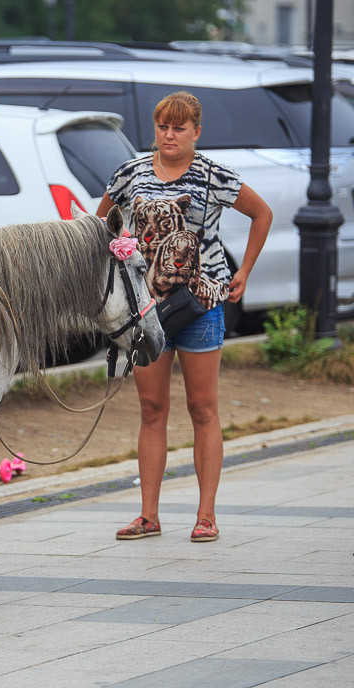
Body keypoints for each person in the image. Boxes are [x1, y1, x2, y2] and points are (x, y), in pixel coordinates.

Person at [96, 91, 272, 543]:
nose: (168, 135)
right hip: (146, 310)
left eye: (178, 128)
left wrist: (244, 271)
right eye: (162, 127)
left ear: (196, 132)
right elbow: (100, 225)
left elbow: (261, 213)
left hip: (200, 305)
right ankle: (148, 516)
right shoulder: (131, 172)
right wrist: (115, 264)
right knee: (151, 409)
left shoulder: (213, 175)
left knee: (203, 408)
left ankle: (206, 515)